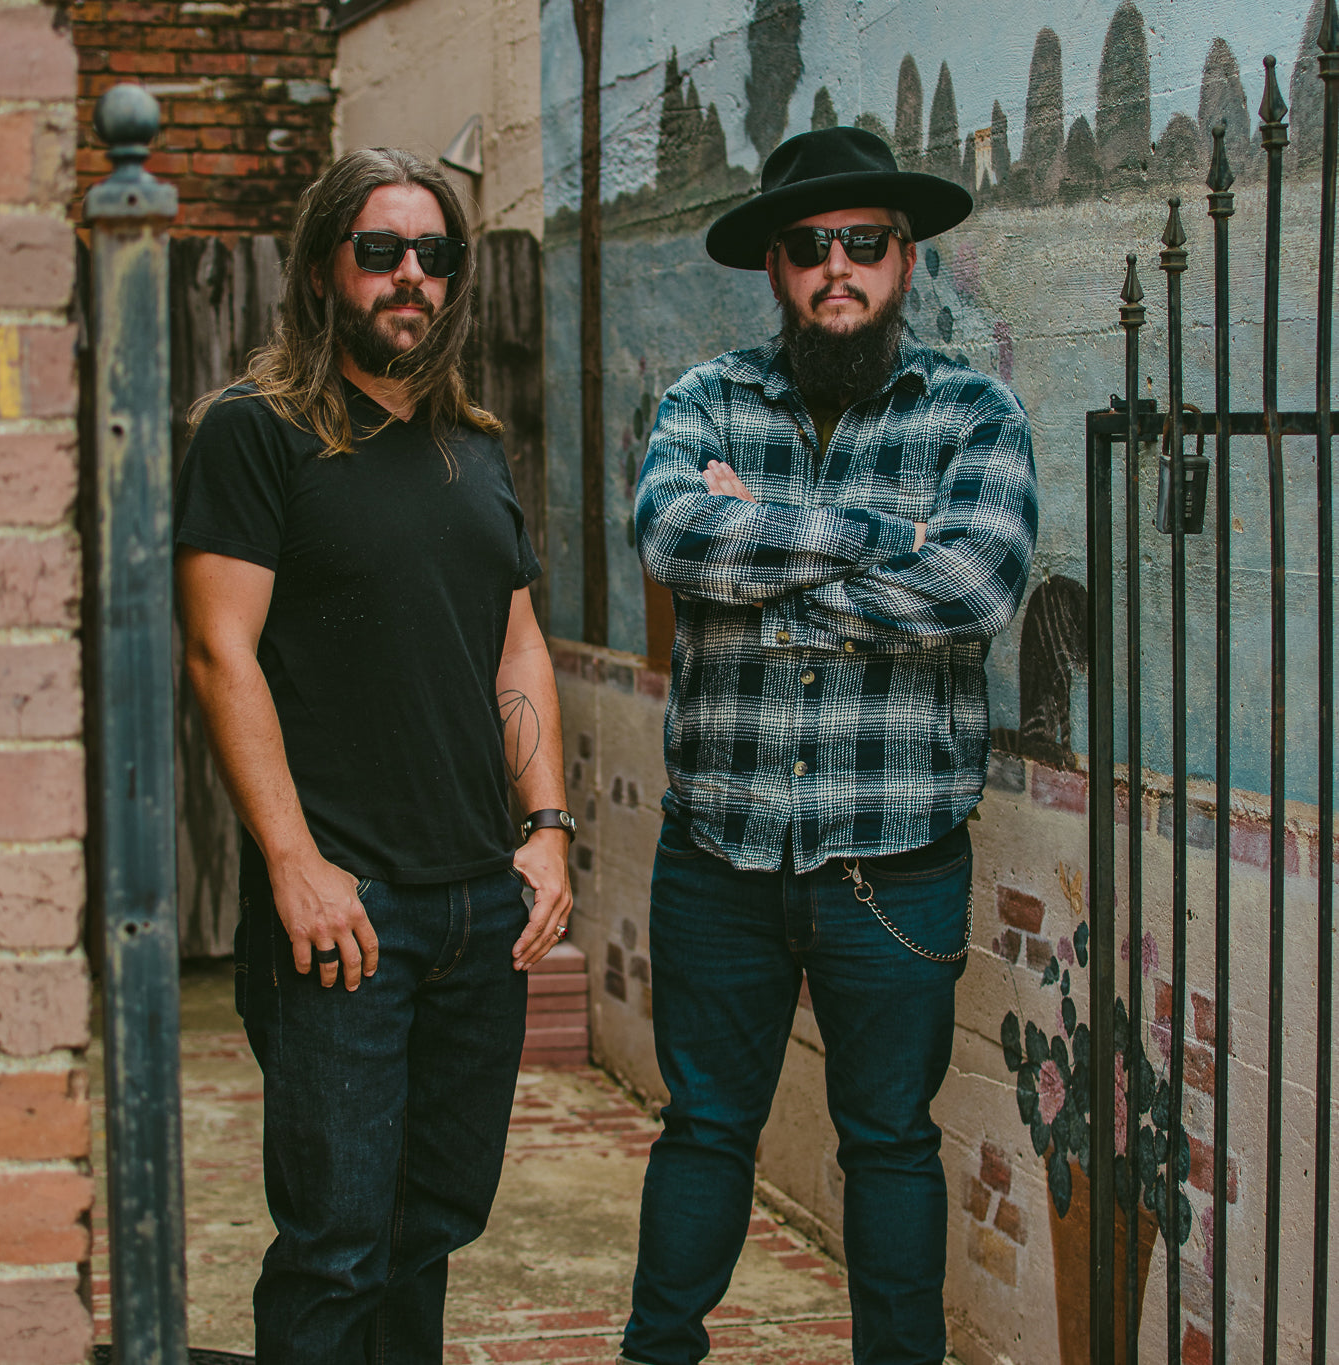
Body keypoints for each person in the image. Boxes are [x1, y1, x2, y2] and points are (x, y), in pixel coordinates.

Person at [621, 126, 1038, 1365]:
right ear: (776, 270)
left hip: (894, 867)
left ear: (906, 262)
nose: (838, 268)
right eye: (812, 247)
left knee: (891, 1142)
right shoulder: (704, 400)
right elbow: (676, 541)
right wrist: (885, 537)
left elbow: (975, 589)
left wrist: (774, 545)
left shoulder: (976, 412)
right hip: (719, 859)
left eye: (864, 243)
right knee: (703, 1130)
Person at [174, 147, 574, 1364]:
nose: (412, 275)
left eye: (435, 255)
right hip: (343, 913)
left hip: (476, 909)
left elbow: (517, 651)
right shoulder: (257, 435)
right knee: (337, 1245)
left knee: (433, 1225)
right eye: (382, 249)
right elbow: (217, 654)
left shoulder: (475, 447)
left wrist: (549, 830)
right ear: (321, 267)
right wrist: (294, 864)